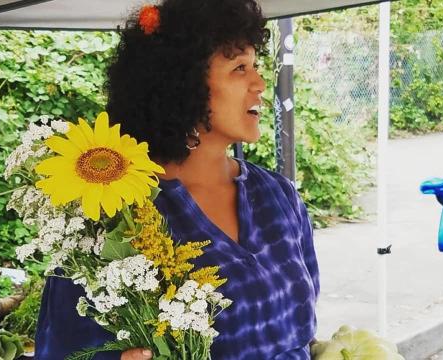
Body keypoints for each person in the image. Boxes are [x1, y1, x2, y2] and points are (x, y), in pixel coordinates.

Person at [34, 0, 320, 359]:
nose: (260, 83)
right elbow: (59, 349)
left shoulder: (278, 196)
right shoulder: (115, 215)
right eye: (239, 68)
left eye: (256, 66)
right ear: (182, 85)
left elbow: (305, 332)